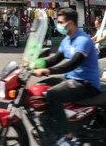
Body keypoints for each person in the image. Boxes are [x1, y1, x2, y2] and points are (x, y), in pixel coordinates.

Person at [32, 8, 100, 145]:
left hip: (86, 83)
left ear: (70, 23)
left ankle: (67, 134)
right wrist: (37, 63)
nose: (58, 24)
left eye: (60, 22)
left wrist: (47, 70)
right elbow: (56, 58)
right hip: (72, 79)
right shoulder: (67, 40)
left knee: (52, 94)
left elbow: (72, 64)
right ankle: (52, 122)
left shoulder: (83, 40)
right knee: (40, 88)